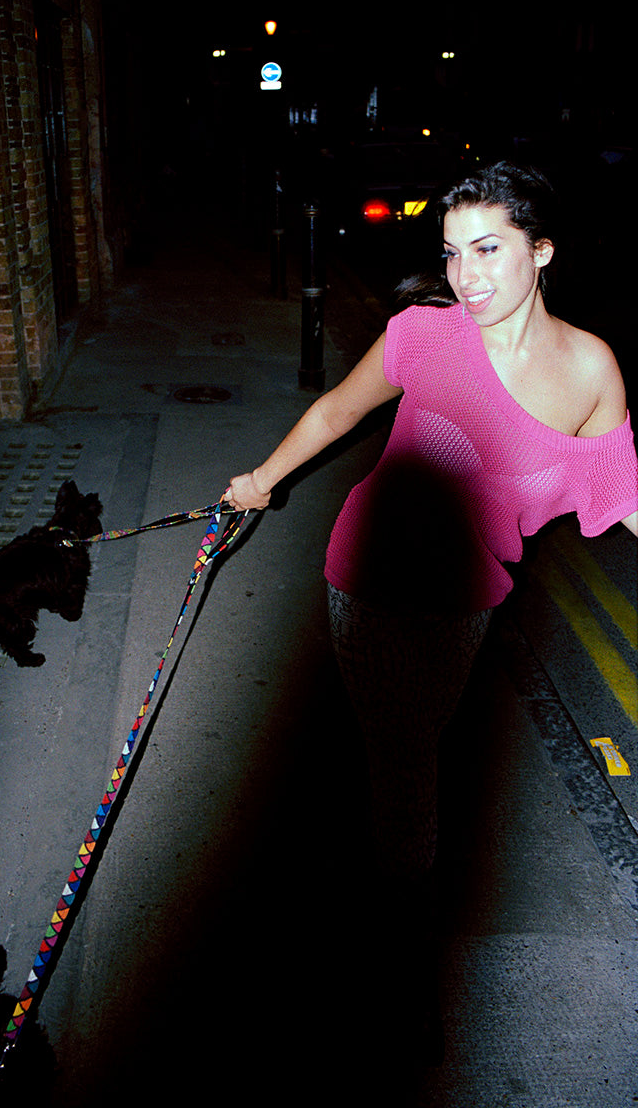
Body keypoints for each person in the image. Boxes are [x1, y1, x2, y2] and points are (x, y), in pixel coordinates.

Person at [225, 160, 638, 1067]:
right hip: (368, 580)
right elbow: (339, 411)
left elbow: (623, 496)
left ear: (543, 249)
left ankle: (369, 855)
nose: (466, 275)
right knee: (408, 769)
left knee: (407, 751)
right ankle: (400, 976)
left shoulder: (591, 369)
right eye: (452, 253)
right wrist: (260, 481)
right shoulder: (425, 335)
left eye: (488, 249)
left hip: (468, 603)